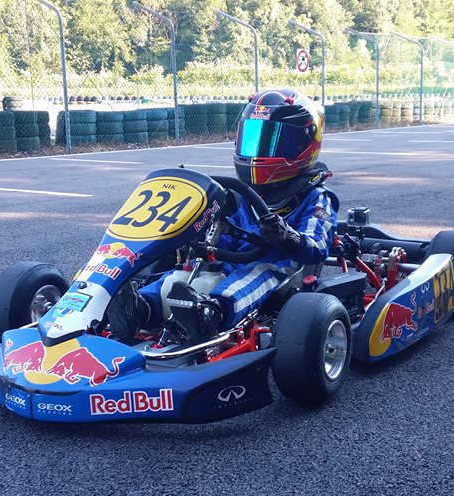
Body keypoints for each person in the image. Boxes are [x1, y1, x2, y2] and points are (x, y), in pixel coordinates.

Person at [108, 88, 339, 342]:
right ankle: (141, 308)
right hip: (229, 259)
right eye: (253, 139)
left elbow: (318, 246)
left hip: (281, 266)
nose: (259, 151)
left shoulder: (316, 197)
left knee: (257, 273)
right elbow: (221, 229)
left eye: (273, 143)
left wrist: (287, 237)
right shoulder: (240, 193)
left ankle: (212, 312)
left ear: (303, 146)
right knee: (183, 271)